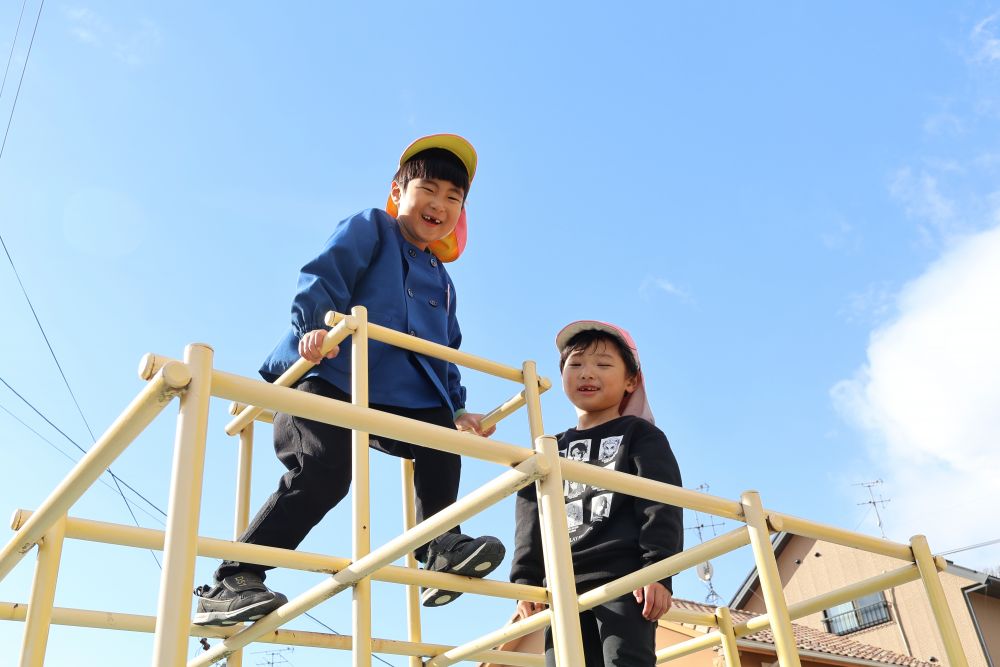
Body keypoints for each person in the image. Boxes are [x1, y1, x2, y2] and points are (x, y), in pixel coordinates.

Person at [193, 134, 504, 626]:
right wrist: (314, 327)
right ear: (398, 191)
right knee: (326, 469)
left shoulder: (442, 280)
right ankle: (234, 577)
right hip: (330, 370)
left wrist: (459, 406)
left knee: (441, 436)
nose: (439, 204)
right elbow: (324, 273)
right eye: (428, 188)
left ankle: (439, 540)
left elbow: (444, 351)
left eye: (453, 198)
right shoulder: (373, 227)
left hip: (395, 393)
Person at [510, 321, 683, 666]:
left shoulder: (640, 434)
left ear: (631, 381)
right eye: (575, 365)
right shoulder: (549, 448)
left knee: (623, 660)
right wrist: (525, 582)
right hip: (560, 585)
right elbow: (530, 519)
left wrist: (657, 571)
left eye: (603, 365)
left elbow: (659, 503)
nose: (587, 373)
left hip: (624, 579)